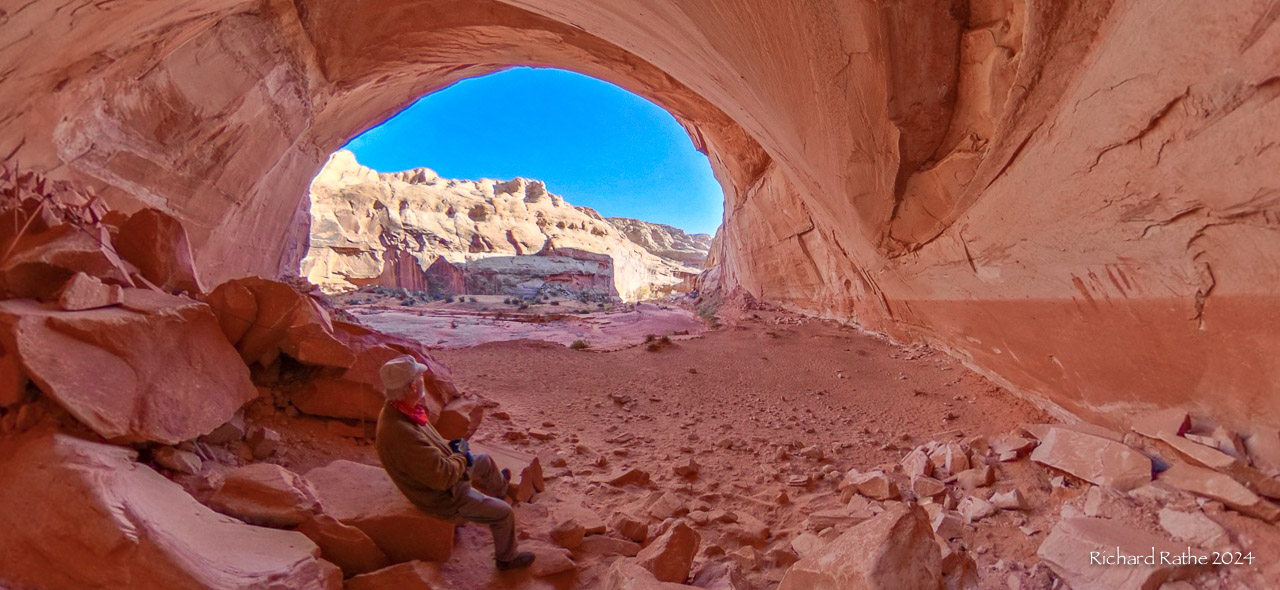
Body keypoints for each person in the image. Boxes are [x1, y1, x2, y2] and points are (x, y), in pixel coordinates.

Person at [375, 354, 535, 570]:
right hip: (443, 497)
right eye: (419, 378)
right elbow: (442, 478)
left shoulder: (401, 410)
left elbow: (432, 449)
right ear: (412, 387)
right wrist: (460, 454)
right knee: (503, 514)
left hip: (443, 473)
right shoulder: (400, 433)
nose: (423, 381)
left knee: (484, 461)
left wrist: (452, 448)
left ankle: (500, 491)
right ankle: (507, 559)